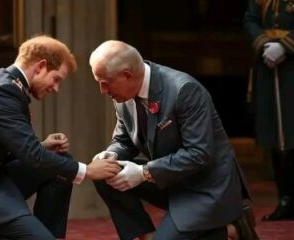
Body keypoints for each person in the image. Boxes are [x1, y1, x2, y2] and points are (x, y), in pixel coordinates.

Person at [0, 35, 121, 240]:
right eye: (56, 79)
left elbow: (2, 147)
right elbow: (32, 156)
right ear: (40, 67)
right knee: (66, 169)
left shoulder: (6, 83)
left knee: (63, 166)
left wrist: (41, 145)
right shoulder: (3, 91)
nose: (56, 88)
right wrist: (88, 170)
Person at [90, 40, 259, 240]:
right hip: (169, 179)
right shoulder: (122, 95)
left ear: (127, 75)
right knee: (105, 173)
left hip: (206, 186)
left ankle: (234, 229)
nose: (102, 90)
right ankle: (147, 236)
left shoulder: (184, 89)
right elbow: (123, 140)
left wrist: (144, 172)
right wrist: (113, 153)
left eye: (105, 82)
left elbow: (199, 153)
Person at [244, 0, 294, 221]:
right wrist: (265, 44)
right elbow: (250, 19)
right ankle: (286, 198)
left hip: (292, 65)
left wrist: (286, 45)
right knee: (276, 135)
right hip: (269, 65)